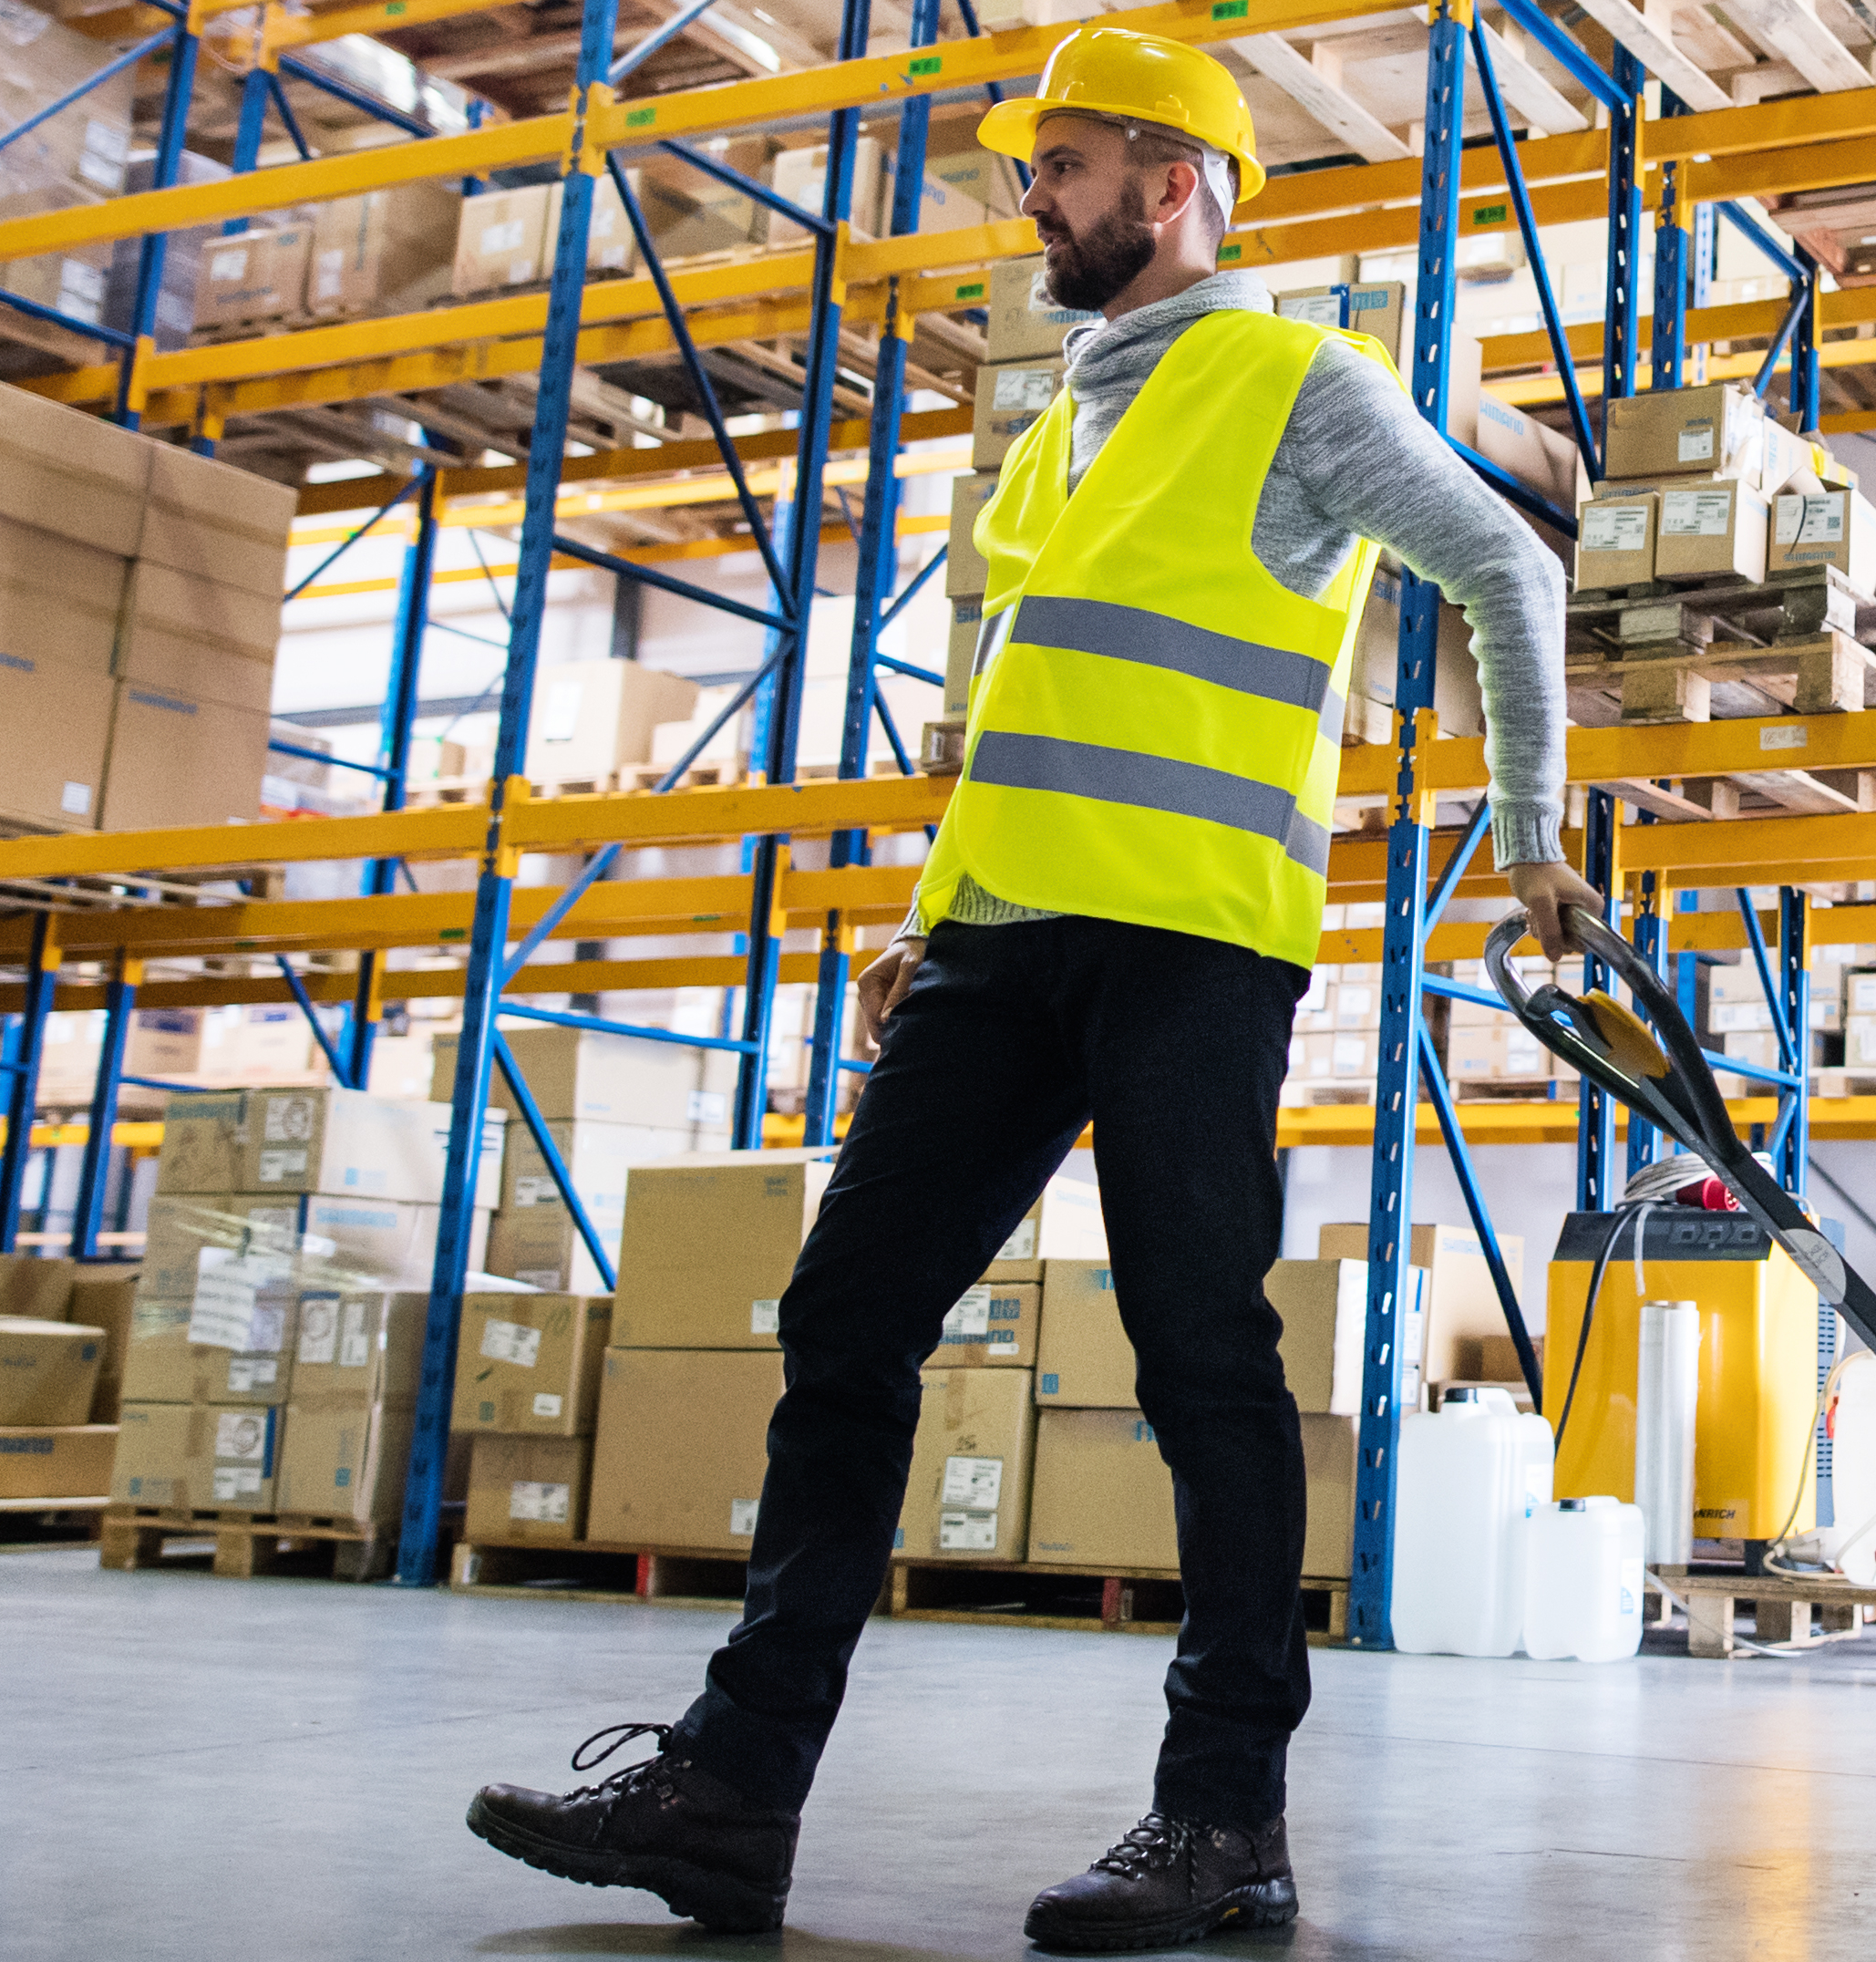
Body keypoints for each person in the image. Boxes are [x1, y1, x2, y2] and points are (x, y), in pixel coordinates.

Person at [463, 26, 1602, 1953]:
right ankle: (732, 1788)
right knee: (843, 1315)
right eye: (1028, 168)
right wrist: (930, 907)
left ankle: (1223, 1813)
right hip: (997, 948)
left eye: (1060, 167)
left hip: (1190, 946)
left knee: (1198, 1359)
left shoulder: (1286, 377)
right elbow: (1018, 716)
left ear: (1171, 187)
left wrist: (1525, 825)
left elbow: (1507, 563)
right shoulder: (1063, 415)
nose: (1029, 200)